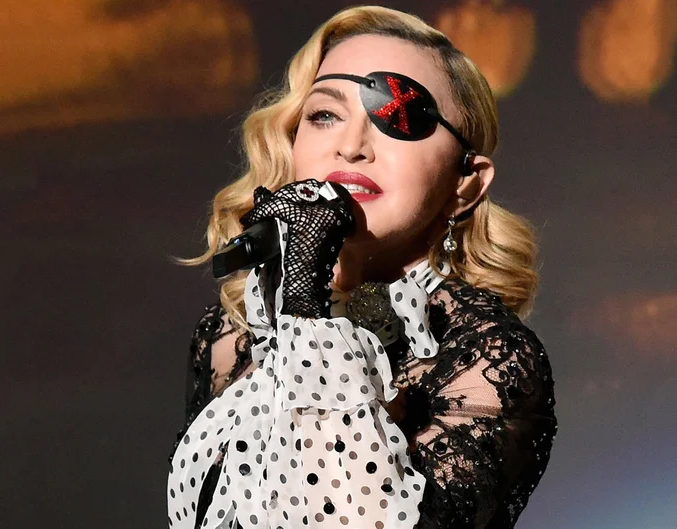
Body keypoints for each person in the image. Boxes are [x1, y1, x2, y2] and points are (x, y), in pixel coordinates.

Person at [168, 6, 557, 529]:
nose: (351, 147)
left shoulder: (486, 354)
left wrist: (308, 304)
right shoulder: (231, 337)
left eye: (398, 116)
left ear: (465, 184)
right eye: (325, 115)